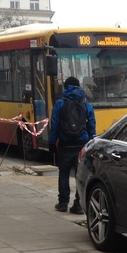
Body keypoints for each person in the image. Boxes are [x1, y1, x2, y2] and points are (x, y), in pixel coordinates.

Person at [49, 77, 96, 214]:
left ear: (66, 87)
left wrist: (53, 142)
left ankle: (63, 203)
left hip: (65, 144)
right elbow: (91, 124)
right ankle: (78, 205)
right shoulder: (86, 104)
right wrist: (91, 139)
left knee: (63, 173)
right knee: (80, 174)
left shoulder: (60, 104)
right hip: (81, 144)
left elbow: (55, 125)